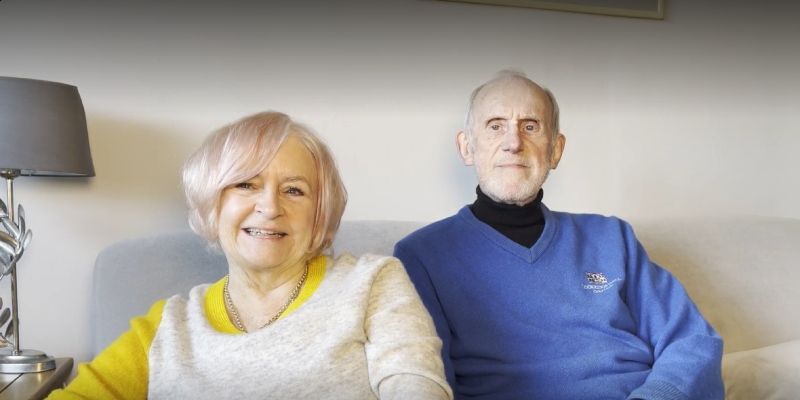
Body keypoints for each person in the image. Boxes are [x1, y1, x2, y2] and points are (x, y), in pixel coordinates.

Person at [51, 111, 452, 399]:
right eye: (245, 185)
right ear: (213, 204)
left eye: (294, 190)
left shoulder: (372, 282)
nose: (270, 206)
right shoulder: (167, 327)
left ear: (320, 213)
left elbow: (418, 385)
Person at [394, 71, 724, 400]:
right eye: (495, 126)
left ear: (555, 149)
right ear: (467, 148)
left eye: (530, 126)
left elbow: (692, 341)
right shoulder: (421, 257)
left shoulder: (612, 237)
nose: (513, 143)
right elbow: (423, 379)